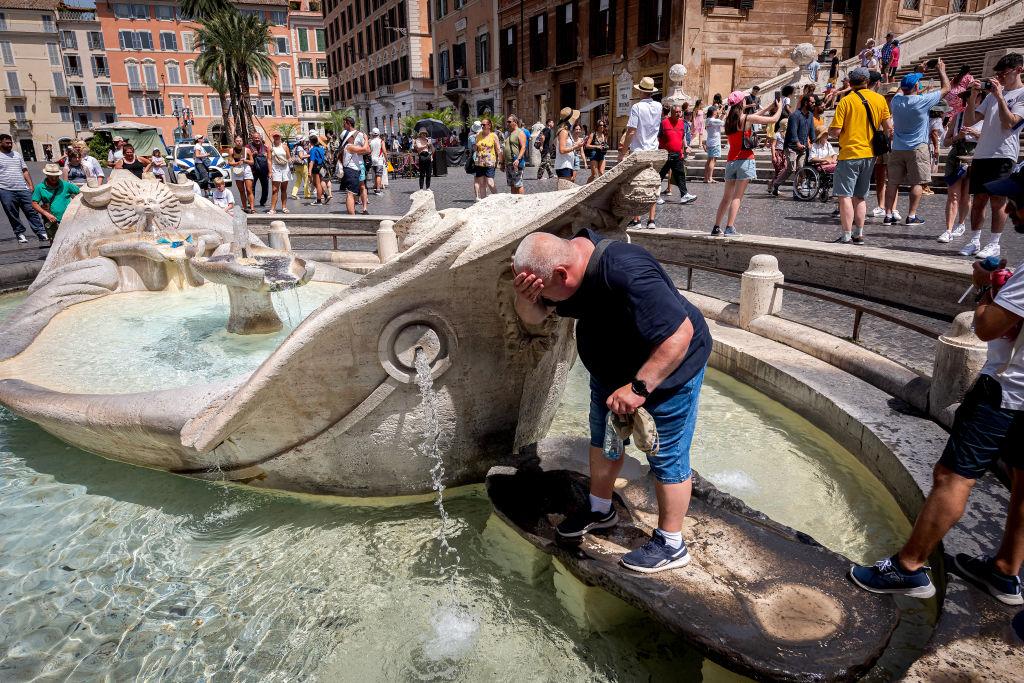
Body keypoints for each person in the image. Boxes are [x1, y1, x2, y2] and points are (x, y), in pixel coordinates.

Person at [850, 167, 1024, 606]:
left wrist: (985, 289)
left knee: (953, 477)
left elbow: (986, 329)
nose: (1012, 209)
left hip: (1006, 393)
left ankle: (909, 567)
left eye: (1018, 201)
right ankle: (1005, 573)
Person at [511, 229, 711, 573]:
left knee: (667, 454)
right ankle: (600, 508)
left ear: (562, 275)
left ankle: (671, 543)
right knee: (604, 442)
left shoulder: (627, 271)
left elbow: (680, 335)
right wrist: (528, 298)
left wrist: (638, 389)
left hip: (667, 368)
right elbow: (533, 317)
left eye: (544, 291)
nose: (547, 300)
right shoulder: (565, 264)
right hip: (612, 370)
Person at [960, 52, 1024, 259]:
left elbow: (1011, 122)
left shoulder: (1022, 95)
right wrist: (972, 96)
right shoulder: (990, 97)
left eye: (1004, 73)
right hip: (982, 153)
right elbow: (970, 121)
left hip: (1003, 153)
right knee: (978, 200)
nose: (1001, 78)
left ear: (1019, 70)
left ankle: (994, 243)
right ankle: (974, 240)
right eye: (999, 74)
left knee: (998, 200)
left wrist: (999, 97)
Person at [829, 67, 893, 244]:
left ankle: (846, 234)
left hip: (849, 153)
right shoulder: (880, 99)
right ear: (867, 81)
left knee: (845, 196)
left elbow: (836, 131)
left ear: (850, 82)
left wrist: (833, 131)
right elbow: (888, 128)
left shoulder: (846, 101)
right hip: (870, 154)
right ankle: (859, 233)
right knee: (861, 196)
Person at [884, 63, 950, 226]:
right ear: (916, 86)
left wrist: (916, 73)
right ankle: (911, 216)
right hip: (917, 147)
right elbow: (946, 88)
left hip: (898, 147)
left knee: (892, 182)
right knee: (917, 182)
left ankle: (888, 214)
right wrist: (941, 71)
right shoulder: (923, 101)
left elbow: (901, 89)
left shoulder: (896, 101)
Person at [711, 91, 782, 236]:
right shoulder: (746, 119)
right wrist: (780, 107)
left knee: (726, 198)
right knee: (737, 197)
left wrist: (769, 106)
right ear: (741, 103)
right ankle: (730, 228)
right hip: (745, 159)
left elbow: (757, 116)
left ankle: (716, 227)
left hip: (731, 161)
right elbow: (773, 119)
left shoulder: (729, 121)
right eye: (744, 100)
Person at [937, 90, 982, 244]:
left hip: (975, 156)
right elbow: (946, 142)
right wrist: (958, 136)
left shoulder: (986, 116)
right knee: (953, 195)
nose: (968, 101)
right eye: (966, 98)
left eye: (972, 97)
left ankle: (961, 224)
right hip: (956, 156)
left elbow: (994, 138)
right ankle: (948, 229)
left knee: (966, 195)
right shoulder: (958, 116)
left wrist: (976, 134)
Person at [622, 76, 664, 228]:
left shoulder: (637, 107)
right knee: (652, 184)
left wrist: (623, 152)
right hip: (653, 150)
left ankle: (636, 219)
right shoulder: (659, 106)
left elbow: (631, 131)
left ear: (640, 91)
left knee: (636, 184)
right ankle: (651, 220)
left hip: (639, 151)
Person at [0, 133, 47, 243]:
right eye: (7, 143)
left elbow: (24, 170)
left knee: (32, 210)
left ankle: (41, 232)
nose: (10, 144)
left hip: (22, 188)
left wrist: (30, 184)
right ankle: (19, 233)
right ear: (0, 142)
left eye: (11, 142)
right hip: (5, 189)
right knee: (12, 213)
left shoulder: (16, 155)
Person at [769, 95, 815, 197]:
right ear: (805, 103)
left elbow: (811, 130)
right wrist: (797, 143)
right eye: (812, 102)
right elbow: (793, 131)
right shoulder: (795, 115)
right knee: (791, 168)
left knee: (801, 168)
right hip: (791, 146)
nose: (814, 104)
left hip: (802, 147)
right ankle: (776, 185)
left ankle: (797, 190)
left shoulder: (810, 115)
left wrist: (814, 141)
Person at [658, 104, 697, 207]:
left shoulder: (682, 124)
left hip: (677, 154)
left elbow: (682, 137)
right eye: (676, 112)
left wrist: (685, 148)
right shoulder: (664, 123)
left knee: (680, 175)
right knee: (660, 175)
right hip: (665, 154)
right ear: (671, 112)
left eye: (679, 112)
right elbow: (659, 137)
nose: (678, 114)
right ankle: (656, 195)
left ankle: (684, 195)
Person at [31, 163, 80, 241]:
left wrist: (75, 205)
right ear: (46, 175)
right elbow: (34, 204)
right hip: (51, 220)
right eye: (51, 177)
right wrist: (46, 214)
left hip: (67, 219)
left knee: (70, 241)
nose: (54, 179)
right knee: (54, 242)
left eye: (56, 177)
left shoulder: (66, 185)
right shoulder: (40, 187)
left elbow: (80, 193)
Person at [338, 116, 370, 216]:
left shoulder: (359, 134)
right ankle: (352, 212)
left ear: (349, 123)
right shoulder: (347, 142)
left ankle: (364, 208)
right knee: (351, 192)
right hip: (352, 167)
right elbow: (366, 149)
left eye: (344, 123)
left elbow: (367, 151)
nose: (343, 125)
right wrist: (366, 141)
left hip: (358, 164)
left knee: (361, 187)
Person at [473, 118, 501, 199]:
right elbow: (476, 148)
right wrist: (475, 147)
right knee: (481, 183)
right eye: (481, 125)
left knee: (490, 182)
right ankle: (483, 202)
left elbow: (498, 149)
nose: (482, 126)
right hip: (479, 162)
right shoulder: (478, 135)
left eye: (484, 124)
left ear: (489, 125)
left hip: (490, 162)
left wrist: (501, 161)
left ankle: (497, 198)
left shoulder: (493, 135)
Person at [228, 136, 255, 213]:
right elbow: (229, 162)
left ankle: (252, 208)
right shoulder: (231, 150)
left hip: (246, 169)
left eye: (240, 141)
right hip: (237, 169)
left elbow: (252, 162)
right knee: (241, 190)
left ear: (242, 142)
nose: (239, 142)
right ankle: (245, 207)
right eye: (237, 141)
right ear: (235, 142)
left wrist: (245, 160)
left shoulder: (247, 150)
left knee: (249, 189)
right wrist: (236, 163)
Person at [502, 114, 527, 195]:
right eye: (507, 122)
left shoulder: (520, 132)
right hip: (508, 163)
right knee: (512, 184)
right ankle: (514, 202)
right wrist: (502, 163)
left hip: (516, 162)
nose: (507, 123)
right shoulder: (509, 133)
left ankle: (521, 202)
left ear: (515, 122)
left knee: (518, 184)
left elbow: (523, 147)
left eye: (509, 121)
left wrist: (518, 159)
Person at [269, 132, 291, 214]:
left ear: (280, 137)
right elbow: (269, 160)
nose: (276, 137)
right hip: (275, 168)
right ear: (273, 137)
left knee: (284, 189)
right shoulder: (270, 147)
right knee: (275, 189)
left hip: (285, 168)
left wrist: (291, 163)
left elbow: (289, 157)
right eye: (275, 136)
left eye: (277, 136)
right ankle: (272, 208)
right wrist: (270, 171)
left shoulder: (285, 146)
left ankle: (284, 207)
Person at [247, 133, 270, 208]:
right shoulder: (248, 147)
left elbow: (270, 159)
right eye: (255, 138)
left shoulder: (265, 147)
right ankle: (251, 203)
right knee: (251, 187)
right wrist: (252, 155)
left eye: (258, 138)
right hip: (252, 170)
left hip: (264, 170)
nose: (257, 139)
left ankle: (263, 202)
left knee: (265, 187)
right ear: (252, 138)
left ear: (260, 138)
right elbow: (244, 158)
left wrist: (267, 155)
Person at [703, 104, 724, 184]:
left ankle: (706, 178)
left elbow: (718, 122)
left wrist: (722, 115)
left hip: (710, 142)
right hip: (715, 142)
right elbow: (722, 123)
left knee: (709, 160)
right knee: (713, 160)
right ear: (714, 112)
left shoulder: (708, 120)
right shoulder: (713, 120)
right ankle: (710, 178)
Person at [308, 135, 328, 205]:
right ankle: (325, 194)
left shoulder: (313, 150)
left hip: (316, 167)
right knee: (315, 183)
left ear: (310, 142)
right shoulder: (321, 148)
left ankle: (319, 200)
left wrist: (309, 170)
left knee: (317, 184)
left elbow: (312, 161)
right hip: (321, 166)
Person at [368, 128, 387, 195]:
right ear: (379, 134)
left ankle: (376, 186)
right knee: (379, 175)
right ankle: (378, 189)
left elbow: (369, 151)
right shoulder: (381, 141)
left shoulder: (370, 142)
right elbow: (384, 151)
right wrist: (386, 160)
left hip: (372, 160)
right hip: (379, 160)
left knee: (376, 174)